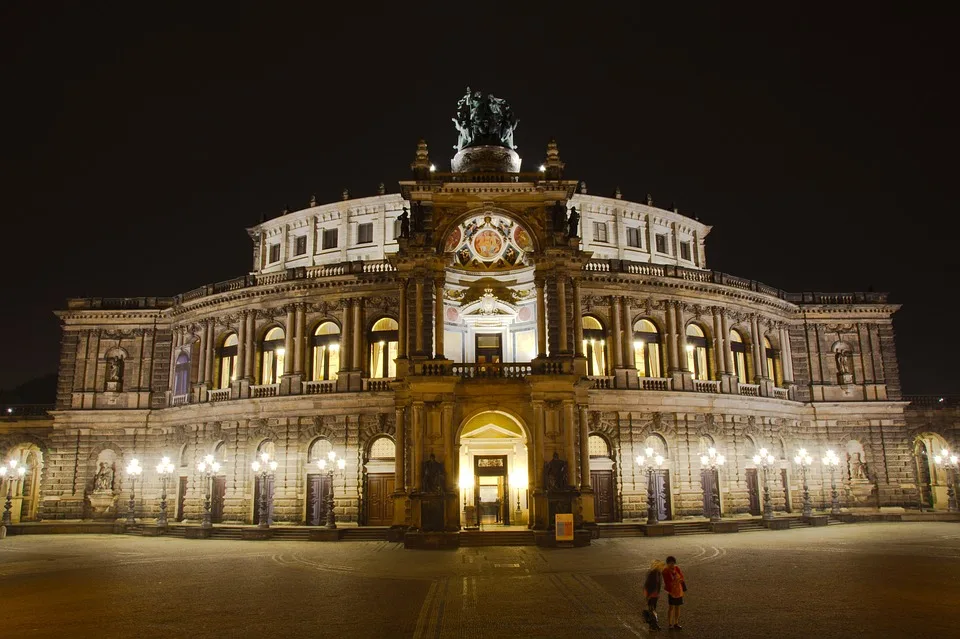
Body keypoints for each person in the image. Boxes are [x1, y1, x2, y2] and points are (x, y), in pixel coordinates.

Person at [662, 555, 686, 630]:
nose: (672, 565)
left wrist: (679, 580)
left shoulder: (677, 568)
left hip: (678, 591)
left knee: (677, 607)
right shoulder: (665, 571)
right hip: (672, 591)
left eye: (673, 563)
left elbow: (682, 577)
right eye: (670, 563)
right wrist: (676, 580)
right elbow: (667, 582)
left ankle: (676, 623)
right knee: (671, 607)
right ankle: (670, 624)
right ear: (667, 563)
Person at [642, 559, 665, 631]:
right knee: (651, 610)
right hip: (651, 595)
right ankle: (652, 626)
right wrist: (648, 595)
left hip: (655, 595)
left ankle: (654, 624)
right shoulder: (652, 573)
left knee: (653, 609)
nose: (662, 567)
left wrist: (657, 593)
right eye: (661, 566)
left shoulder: (658, 573)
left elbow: (658, 584)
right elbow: (647, 584)